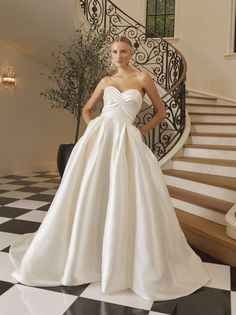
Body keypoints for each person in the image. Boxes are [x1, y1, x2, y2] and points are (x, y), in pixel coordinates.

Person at [9, 36, 209, 301]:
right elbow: (88, 109)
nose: (118, 56)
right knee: (93, 189)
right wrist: (94, 125)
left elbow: (161, 112)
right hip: (99, 137)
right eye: (114, 52)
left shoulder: (142, 79)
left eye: (124, 51)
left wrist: (141, 129)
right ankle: (85, 253)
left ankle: (122, 257)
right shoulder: (105, 81)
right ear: (111, 55)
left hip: (126, 138)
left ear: (132, 53)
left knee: (125, 193)